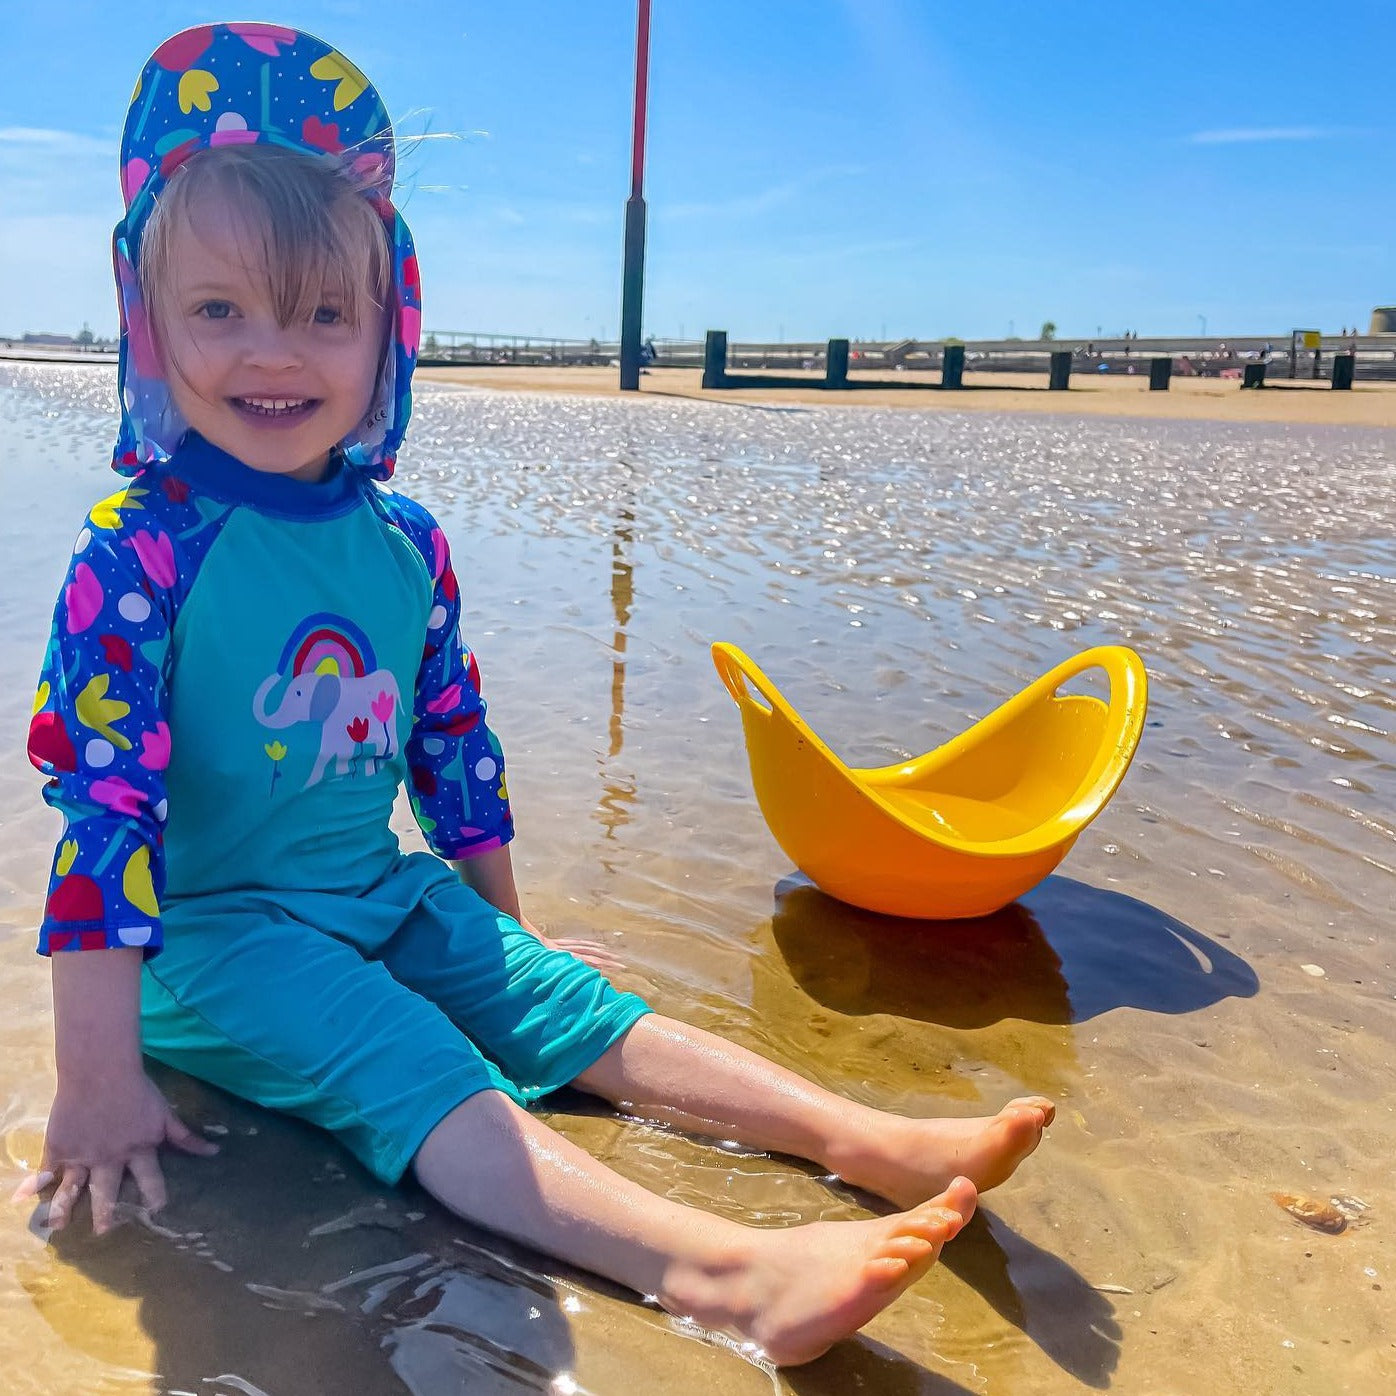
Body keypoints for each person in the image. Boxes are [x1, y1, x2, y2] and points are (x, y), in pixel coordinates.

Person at [16, 24, 1054, 1368]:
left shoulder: (405, 544)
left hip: (382, 893)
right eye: (220, 310)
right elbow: (102, 814)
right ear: (149, 322)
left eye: (325, 313)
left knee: (572, 1009)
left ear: (392, 320)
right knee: (403, 1054)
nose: (274, 354)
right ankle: (727, 1275)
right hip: (211, 939)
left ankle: (869, 1143)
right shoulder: (140, 551)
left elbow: (453, 753)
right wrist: (95, 1078)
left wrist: (514, 956)